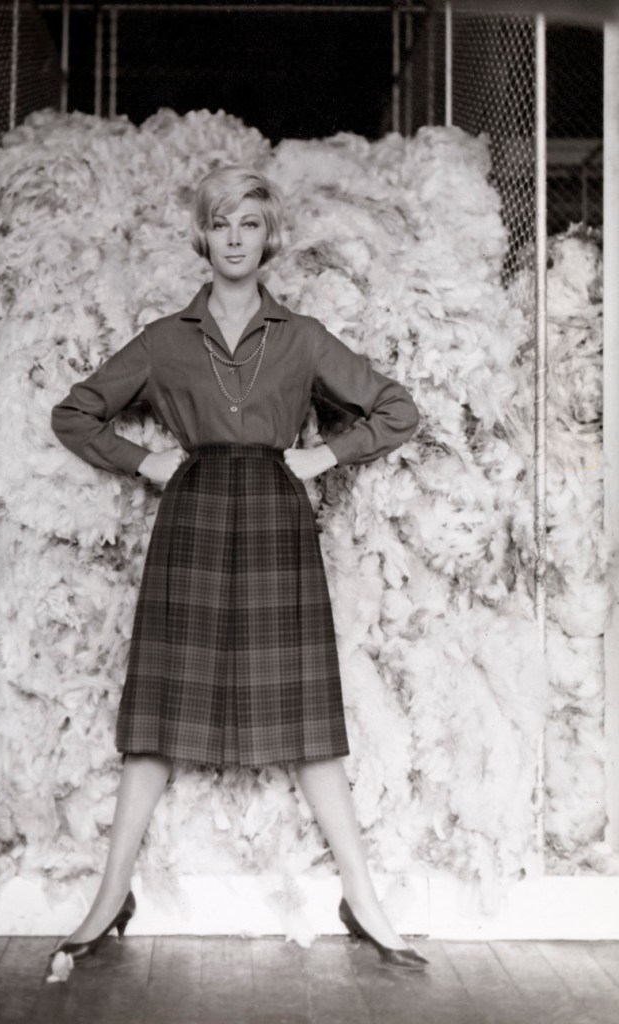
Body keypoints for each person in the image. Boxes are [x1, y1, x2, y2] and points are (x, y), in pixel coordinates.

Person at [49, 165, 424, 972]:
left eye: (249, 224)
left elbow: (398, 410)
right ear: (203, 235)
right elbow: (74, 412)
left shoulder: (303, 336)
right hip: (190, 519)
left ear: (268, 237)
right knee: (154, 723)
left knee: (308, 727)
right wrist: (142, 462)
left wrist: (323, 453)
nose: (233, 238)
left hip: (276, 525)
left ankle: (365, 900)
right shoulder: (162, 340)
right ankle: (107, 898)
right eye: (220, 223)